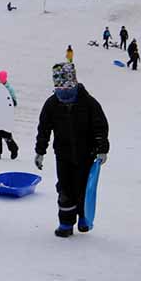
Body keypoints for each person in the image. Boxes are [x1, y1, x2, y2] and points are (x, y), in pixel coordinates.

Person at [34, 63, 109, 237]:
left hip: (86, 154)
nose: (65, 98)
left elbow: (100, 128)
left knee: (83, 188)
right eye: (61, 94)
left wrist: (102, 148)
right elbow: (44, 129)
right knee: (65, 189)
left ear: (74, 86)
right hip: (63, 155)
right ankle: (66, 223)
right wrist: (40, 151)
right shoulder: (51, 104)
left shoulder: (89, 103)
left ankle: (84, 218)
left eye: (68, 94)